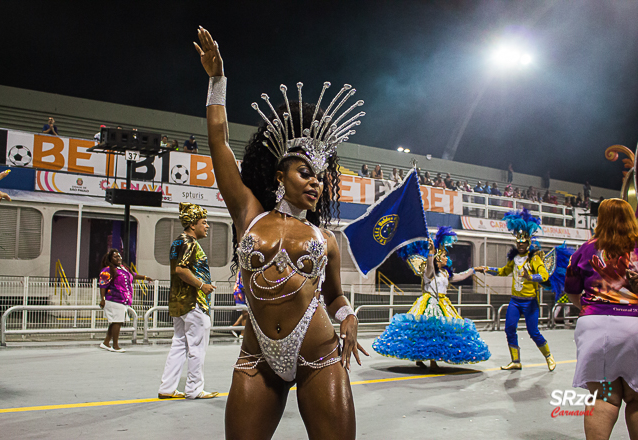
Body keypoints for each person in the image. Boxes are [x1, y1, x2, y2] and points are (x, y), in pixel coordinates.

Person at [195, 26, 367, 439]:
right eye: (305, 173)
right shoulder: (249, 214)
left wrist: (347, 316)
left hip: (319, 359)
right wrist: (217, 82)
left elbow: (334, 295)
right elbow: (218, 140)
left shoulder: (326, 239)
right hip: (257, 359)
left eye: (321, 178)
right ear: (279, 175)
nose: (316, 184)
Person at [565, 198, 638, 439]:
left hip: (593, 326)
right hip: (634, 325)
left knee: (603, 397)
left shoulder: (585, 249)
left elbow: (572, 291)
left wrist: (589, 310)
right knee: (636, 398)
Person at [373, 228, 490, 370]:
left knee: (438, 333)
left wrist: (475, 269)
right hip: (429, 303)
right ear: (437, 259)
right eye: (444, 256)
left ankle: (422, 359)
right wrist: (431, 253)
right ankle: (433, 362)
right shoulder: (429, 273)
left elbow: (460, 276)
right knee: (429, 332)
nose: (447, 258)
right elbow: (429, 266)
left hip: (443, 302)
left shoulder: (445, 274)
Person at [476, 208, 555, 371]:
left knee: (533, 332)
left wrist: (530, 277)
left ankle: (548, 357)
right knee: (509, 328)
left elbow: (545, 276)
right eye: (518, 243)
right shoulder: (515, 259)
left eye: (523, 243)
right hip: (515, 301)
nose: (520, 245)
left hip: (530, 302)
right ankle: (516, 361)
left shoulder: (535, 259)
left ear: (528, 243)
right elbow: (503, 271)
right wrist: (487, 269)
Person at [158, 203, 218, 399]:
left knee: (179, 344)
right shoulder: (190, 243)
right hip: (194, 302)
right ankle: (194, 389)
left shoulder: (177, 242)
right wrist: (202, 285)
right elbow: (181, 270)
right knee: (197, 347)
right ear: (193, 225)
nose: (207, 226)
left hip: (178, 301)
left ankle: (167, 388)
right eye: (204, 222)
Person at [98, 249, 152, 353]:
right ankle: (115, 345)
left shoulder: (124, 268)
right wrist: (103, 299)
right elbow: (103, 285)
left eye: (119, 256)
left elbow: (133, 275)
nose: (118, 258)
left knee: (115, 322)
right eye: (115, 257)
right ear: (110, 259)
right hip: (114, 299)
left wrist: (145, 277)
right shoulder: (107, 270)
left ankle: (106, 343)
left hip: (123, 300)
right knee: (117, 322)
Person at [231, 271, 248, 338]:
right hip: (240, 294)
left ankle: (233, 327)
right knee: (245, 314)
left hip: (241, 293)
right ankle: (242, 334)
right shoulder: (243, 271)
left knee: (247, 313)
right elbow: (242, 285)